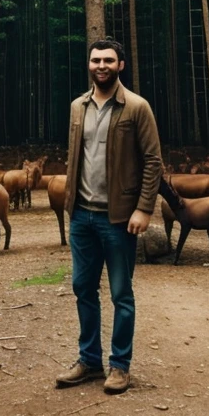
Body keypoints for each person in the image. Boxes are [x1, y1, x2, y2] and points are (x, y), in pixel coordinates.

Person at [55, 38, 162, 395]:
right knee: (83, 288)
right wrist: (70, 204)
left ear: (121, 65)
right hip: (81, 217)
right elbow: (76, 158)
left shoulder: (136, 107)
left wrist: (144, 208)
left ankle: (120, 365)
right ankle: (88, 361)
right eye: (95, 60)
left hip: (118, 219)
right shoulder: (76, 107)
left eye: (108, 60)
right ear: (89, 65)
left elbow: (153, 162)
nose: (101, 65)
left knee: (121, 294)